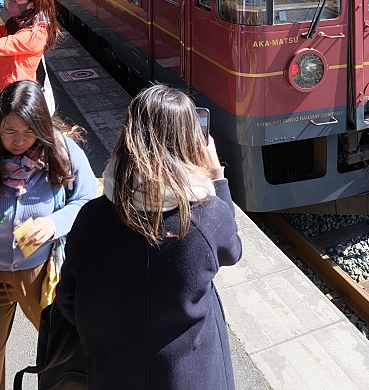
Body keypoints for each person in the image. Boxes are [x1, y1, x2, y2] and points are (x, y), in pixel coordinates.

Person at [56, 85, 242, 390]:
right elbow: (232, 250)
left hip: (113, 376)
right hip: (192, 379)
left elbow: (69, 301)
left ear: (128, 135)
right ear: (191, 143)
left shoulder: (93, 218)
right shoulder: (206, 218)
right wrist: (217, 178)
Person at [0, 79, 97, 390]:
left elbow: (87, 201)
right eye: (9, 131)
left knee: (68, 369)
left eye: (29, 132)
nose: (19, 141)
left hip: (47, 277)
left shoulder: (63, 153)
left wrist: (55, 223)